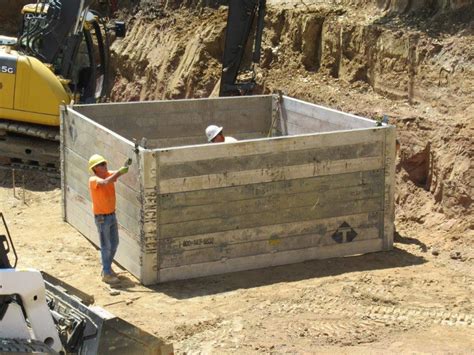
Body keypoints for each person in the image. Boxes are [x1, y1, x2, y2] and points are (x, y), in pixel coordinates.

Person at [88, 154, 129, 284]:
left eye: (105, 163)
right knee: (106, 246)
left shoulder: (107, 174)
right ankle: (106, 273)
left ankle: (107, 269)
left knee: (114, 243)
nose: (105, 166)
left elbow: (114, 175)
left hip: (111, 215)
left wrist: (124, 168)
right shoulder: (93, 179)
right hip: (102, 218)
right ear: (95, 168)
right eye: (101, 164)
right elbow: (105, 182)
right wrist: (119, 173)